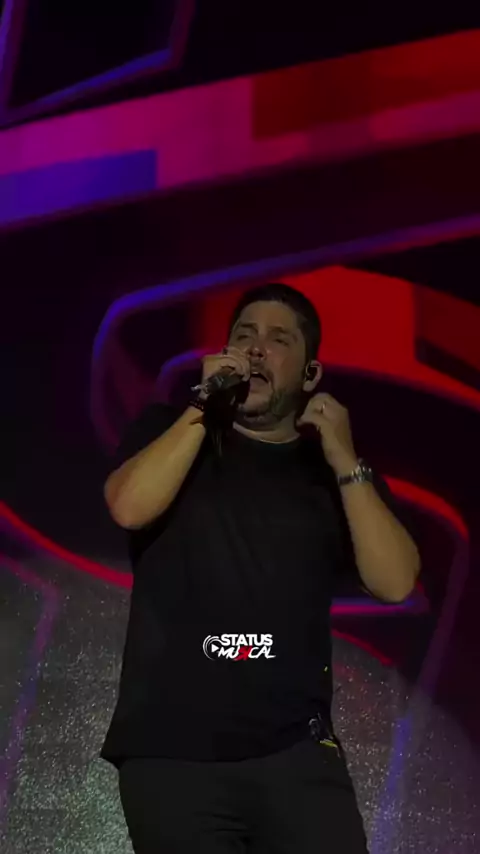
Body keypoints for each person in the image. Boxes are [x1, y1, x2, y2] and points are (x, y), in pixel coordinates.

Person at [101, 282, 420, 853]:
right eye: (243, 335)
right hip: (171, 754)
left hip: (295, 752)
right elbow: (128, 506)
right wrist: (204, 405)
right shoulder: (170, 428)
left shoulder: (331, 473)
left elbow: (395, 582)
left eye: (278, 340)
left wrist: (345, 457)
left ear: (310, 374)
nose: (254, 349)